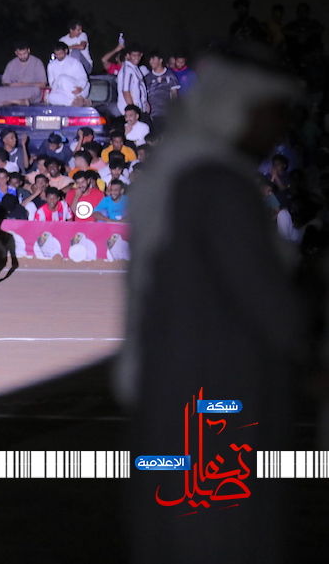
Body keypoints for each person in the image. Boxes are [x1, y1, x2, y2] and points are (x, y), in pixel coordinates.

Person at [117, 50, 301, 564]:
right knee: (218, 525)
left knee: (172, 516)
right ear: (238, 110)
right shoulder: (216, 181)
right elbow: (265, 298)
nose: (278, 126)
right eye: (270, 112)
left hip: (171, 376)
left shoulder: (177, 168)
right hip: (216, 386)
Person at [143, 51, 181, 128]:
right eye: (150, 59)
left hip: (166, 114)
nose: (150, 62)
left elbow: (174, 93)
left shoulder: (170, 75)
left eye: (153, 59)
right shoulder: (148, 77)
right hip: (153, 114)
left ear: (160, 60)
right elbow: (145, 96)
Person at [47, 42, 90, 106]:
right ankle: (74, 102)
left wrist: (81, 87)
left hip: (78, 89)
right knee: (50, 97)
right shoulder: (51, 65)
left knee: (63, 78)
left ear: (66, 51)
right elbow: (52, 83)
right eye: (56, 54)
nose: (58, 56)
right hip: (63, 92)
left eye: (60, 54)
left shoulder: (75, 62)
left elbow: (83, 77)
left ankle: (80, 98)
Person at [117, 44, 148, 112]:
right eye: (134, 55)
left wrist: (145, 104)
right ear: (128, 56)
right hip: (131, 111)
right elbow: (126, 91)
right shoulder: (128, 70)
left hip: (139, 108)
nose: (137, 58)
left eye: (138, 55)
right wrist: (132, 111)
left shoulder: (135, 68)